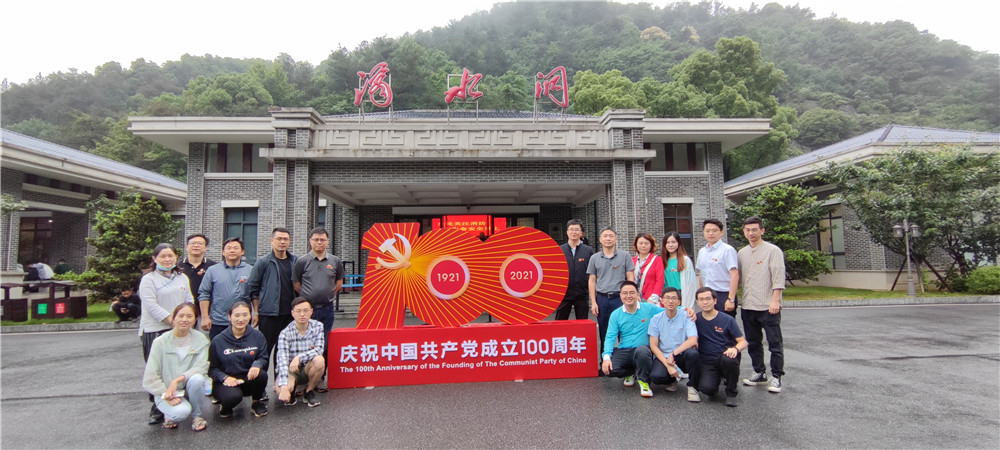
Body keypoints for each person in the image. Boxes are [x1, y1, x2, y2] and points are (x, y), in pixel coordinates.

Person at [138, 243, 195, 424]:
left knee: (178, 367)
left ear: (176, 257)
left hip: (180, 329)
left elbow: (189, 300)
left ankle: (177, 403)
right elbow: (151, 305)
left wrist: (187, 320)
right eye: (162, 256)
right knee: (157, 369)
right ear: (154, 259)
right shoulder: (148, 279)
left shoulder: (182, 278)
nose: (167, 259)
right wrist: (174, 321)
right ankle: (157, 408)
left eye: (170, 256)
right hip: (155, 329)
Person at [737, 216, 786, 394]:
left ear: (762, 231)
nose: (751, 233)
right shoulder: (742, 253)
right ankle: (759, 372)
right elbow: (738, 277)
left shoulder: (772, 251)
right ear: (744, 232)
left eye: (754, 229)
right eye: (748, 230)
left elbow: (778, 276)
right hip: (748, 305)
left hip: (768, 305)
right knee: (753, 342)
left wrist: (775, 300)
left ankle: (777, 376)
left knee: (774, 342)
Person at [142, 303, 209, 431]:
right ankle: (169, 415)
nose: (185, 319)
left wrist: (177, 380)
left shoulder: (201, 340)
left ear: (195, 319)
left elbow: (202, 367)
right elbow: (151, 377)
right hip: (166, 391)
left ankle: (197, 416)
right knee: (181, 413)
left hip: (188, 388)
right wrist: (166, 394)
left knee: (198, 379)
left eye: (189, 316)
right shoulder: (160, 342)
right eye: (181, 316)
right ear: (173, 318)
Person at [292, 227, 344, 391]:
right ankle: (301, 379)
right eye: (316, 239)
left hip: (327, 309)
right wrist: (308, 299)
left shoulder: (335, 261)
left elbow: (339, 283)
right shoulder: (302, 261)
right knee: (303, 343)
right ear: (310, 241)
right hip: (307, 311)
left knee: (324, 344)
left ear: (327, 241)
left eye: (322, 240)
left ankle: (319, 378)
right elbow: (296, 285)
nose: (319, 242)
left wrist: (327, 295)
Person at [246, 227, 298, 389]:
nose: (282, 242)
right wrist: (256, 311)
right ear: (272, 240)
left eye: (285, 239)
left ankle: (280, 383)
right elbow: (253, 288)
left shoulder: (294, 261)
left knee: (284, 351)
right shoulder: (263, 262)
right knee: (265, 350)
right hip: (269, 313)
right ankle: (259, 388)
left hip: (289, 314)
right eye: (279, 239)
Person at [600, 281, 662, 398]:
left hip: (642, 349)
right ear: (620, 295)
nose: (628, 296)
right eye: (625, 293)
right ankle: (631, 372)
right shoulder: (616, 314)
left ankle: (644, 382)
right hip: (624, 349)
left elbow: (667, 312)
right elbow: (610, 337)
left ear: (637, 294)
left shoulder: (648, 308)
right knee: (609, 369)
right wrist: (606, 357)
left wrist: (685, 309)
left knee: (642, 352)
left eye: (632, 293)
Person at [209, 301, 269, 418]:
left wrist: (257, 364)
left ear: (250, 316)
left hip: (247, 378)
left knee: (261, 375)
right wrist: (225, 378)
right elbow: (212, 369)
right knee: (232, 397)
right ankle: (226, 405)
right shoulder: (218, 340)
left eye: (245, 315)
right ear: (229, 317)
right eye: (237, 315)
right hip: (226, 381)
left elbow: (263, 357)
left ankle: (256, 402)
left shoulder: (257, 336)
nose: (241, 319)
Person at [692, 287, 747, 407]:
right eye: (701, 299)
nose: (705, 302)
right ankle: (717, 379)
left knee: (729, 360)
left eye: (708, 299)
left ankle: (731, 392)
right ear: (697, 302)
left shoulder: (727, 319)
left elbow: (743, 342)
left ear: (715, 301)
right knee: (707, 389)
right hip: (708, 361)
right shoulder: (695, 319)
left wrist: (735, 349)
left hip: (725, 357)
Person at [647, 287, 701, 402]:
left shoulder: (687, 316)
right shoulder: (656, 319)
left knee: (693, 354)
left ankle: (692, 386)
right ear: (662, 301)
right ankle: (671, 380)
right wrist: (668, 365)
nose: (670, 301)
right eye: (667, 298)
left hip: (681, 355)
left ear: (679, 302)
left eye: (674, 298)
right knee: (656, 377)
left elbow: (693, 340)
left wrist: (673, 354)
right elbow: (653, 346)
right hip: (664, 356)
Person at [588, 227, 635, 354]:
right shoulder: (594, 258)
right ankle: (605, 360)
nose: (608, 238)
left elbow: (630, 277)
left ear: (616, 239)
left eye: (611, 236)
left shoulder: (625, 256)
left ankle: (625, 361)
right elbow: (592, 280)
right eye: (605, 236)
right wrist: (593, 302)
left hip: (620, 298)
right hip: (602, 299)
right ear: (600, 239)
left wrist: (631, 297)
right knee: (604, 331)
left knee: (624, 330)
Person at [275, 297, 326, 408]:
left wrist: (299, 357)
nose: (302, 314)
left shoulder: (318, 326)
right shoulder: (285, 333)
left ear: (311, 312)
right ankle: (292, 390)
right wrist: (284, 387)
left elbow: (319, 349)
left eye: (305, 310)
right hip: (291, 370)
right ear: (292, 313)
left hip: (308, 367)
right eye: (298, 311)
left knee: (319, 360)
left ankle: (308, 391)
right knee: (281, 390)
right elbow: (282, 360)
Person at [198, 237, 252, 341]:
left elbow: (255, 294)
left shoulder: (250, 270)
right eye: (229, 248)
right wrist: (205, 317)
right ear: (223, 252)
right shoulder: (213, 270)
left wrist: (256, 313)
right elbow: (204, 294)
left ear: (242, 252)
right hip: (218, 321)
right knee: (218, 348)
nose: (232, 250)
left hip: (242, 321)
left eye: (236, 248)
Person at [696, 218, 739, 317]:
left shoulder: (727, 250)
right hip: (708, 294)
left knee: (724, 324)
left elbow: (735, 275)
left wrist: (731, 299)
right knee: (708, 323)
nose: (710, 233)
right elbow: (701, 273)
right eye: (707, 231)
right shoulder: (702, 251)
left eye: (714, 231)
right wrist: (702, 293)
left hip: (723, 294)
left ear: (721, 232)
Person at [555, 219, 594, 320]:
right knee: (560, 323)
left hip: (582, 293)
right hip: (564, 293)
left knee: (582, 323)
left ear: (581, 233)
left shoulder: (588, 250)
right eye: (571, 229)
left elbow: (592, 272)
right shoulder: (560, 250)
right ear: (567, 232)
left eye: (577, 230)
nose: (574, 232)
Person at [661, 231, 697, 310]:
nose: (670, 245)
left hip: (681, 295)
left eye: (673, 242)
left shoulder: (685, 260)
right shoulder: (662, 261)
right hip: (667, 296)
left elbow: (691, 283)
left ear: (678, 243)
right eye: (668, 242)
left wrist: (688, 305)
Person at [179, 234, 217, 301]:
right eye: (193, 243)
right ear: (187, 247)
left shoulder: (213, 266)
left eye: (200, 243)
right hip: (183, 304)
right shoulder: (178, 265)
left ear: (205, 248)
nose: (196, 245)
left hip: (206, 304)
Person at [632, 233, 664, 305]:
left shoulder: (657, 260)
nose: (643, 246)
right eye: (640, 243)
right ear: (636, 245)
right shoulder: (632, 260)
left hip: (651, 299)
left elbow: (660, 280)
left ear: (651, 245)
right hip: (636, 299)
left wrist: (653, 298)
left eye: (646, 243)